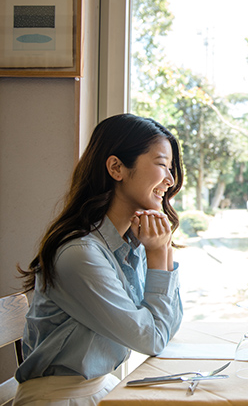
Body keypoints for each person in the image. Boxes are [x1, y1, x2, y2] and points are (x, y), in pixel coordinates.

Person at [14, 113, 185, 406]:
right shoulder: (79, 255)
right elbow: (153, 340)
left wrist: (161, 250)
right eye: (161, 165)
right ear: (116, 167)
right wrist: (158, 255)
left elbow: (167, 327)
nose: (170, 181)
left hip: (101, 390)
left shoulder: (128, 244)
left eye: (171, 169)